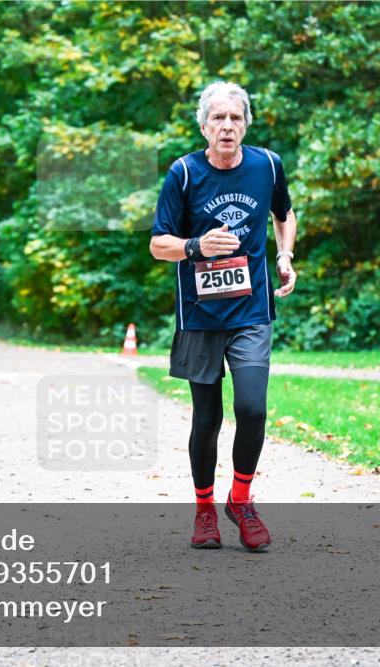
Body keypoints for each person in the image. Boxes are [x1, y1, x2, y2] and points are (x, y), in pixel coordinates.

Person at [149, 81, 297, 552]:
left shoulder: (267, 165)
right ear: (203, 125)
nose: (227, 126)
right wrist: (196, 246)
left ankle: (241, 499)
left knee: (252, 408)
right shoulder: (184, 174)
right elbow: (158, 244)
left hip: (252, 309)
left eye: (235, 118)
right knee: (207, 418)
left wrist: (285, 255)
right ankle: (204, 511)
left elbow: (285, 213)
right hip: (200, 314)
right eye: (218, 118)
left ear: (246, 124)